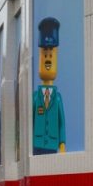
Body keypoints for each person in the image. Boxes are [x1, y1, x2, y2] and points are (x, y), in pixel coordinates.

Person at [32, 16, 66, 154]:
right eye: (45, 55)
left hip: (52, 146)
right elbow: (30, 122)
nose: (48, 59)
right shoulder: (35, 97)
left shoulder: (57, 98)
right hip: (36, 146)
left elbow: (61, 123)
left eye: (50, 56)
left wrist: (62, 144)